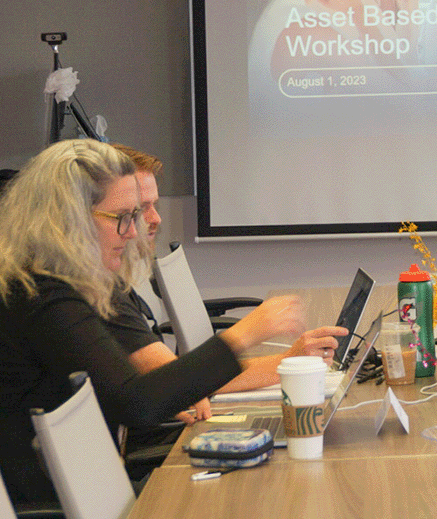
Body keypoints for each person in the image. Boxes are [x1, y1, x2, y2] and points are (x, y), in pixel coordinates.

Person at [0, 140, 318, 507]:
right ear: (64, 220)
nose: (133, 232)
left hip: (55, 486)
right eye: (121, 218)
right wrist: (243, 335)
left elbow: (132, 388)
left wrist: (178, 386)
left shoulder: (47, 285)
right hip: (23, 501)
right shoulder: (42, 298)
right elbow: (136, 402)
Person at [106, 145, 345, 418]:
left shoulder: (116, 286)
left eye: (153, 206)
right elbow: (183, 383)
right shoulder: (101, 298)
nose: (156, 219)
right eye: (138, 209)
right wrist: (247, 334)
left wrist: (287, 360)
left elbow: (184, 378)